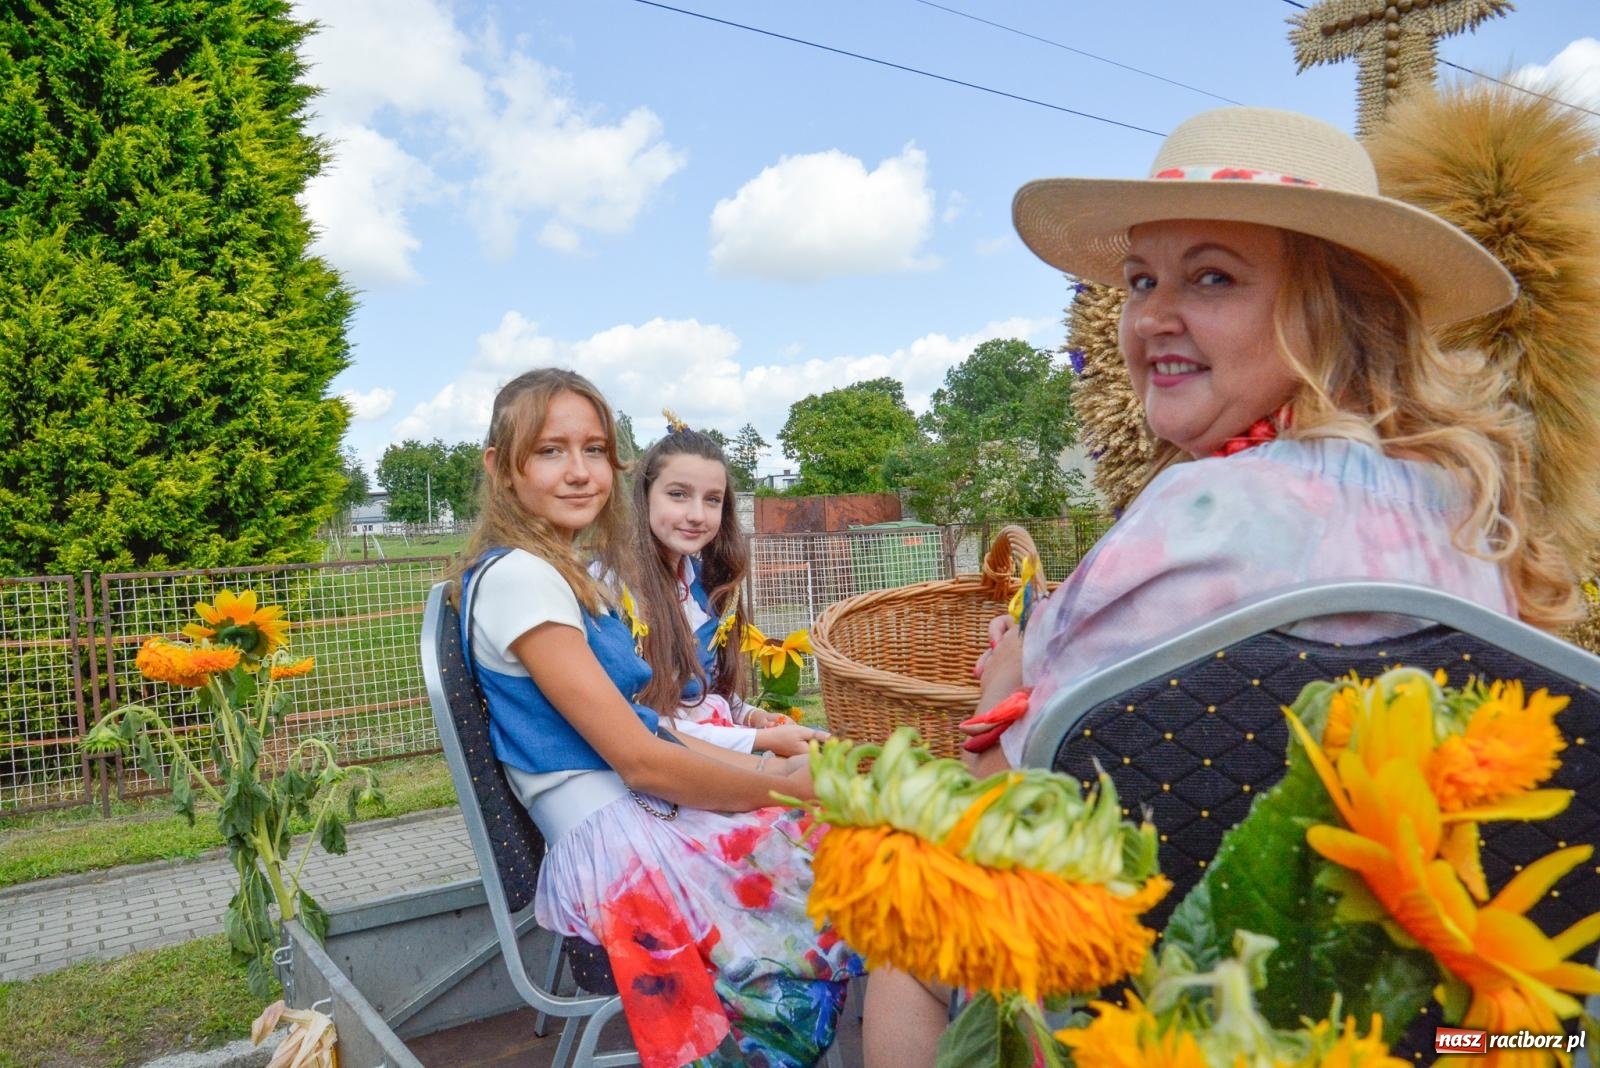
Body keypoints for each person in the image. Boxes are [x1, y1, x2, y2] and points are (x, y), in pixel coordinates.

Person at [866, 104, 1575, 1065]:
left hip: (1160, 1022)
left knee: (898, 908)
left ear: (1336, 307)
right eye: (1141, 280)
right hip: (1446, 1028)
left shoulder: (1190, 514)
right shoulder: (1478, 517)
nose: (1152, 316)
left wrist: (996, 702)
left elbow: (1022, 811)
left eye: (1212, 278)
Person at [453, 367, 858, 1068]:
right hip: (620, 853)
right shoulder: (522, 578)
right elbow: (640, 759)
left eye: (595, 450)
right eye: (551, 450)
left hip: (634, 818)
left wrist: (774, 765)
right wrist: (784, 784)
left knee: (852, 837)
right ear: (501, 467)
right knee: (871, 866)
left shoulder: (555, 571)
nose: (580, 472)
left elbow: (657, 730)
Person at [606, 420, 824, 757]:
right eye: (678, 494)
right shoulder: (616, 591)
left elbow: (703, 690)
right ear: (645, 496)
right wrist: (758, 741)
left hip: (714, 749)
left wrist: (752, 716)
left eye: (712, 500)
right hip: (666, 765)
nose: (696, 514)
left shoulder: (705, 584)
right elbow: (639, 724)